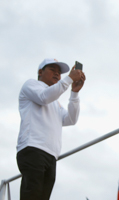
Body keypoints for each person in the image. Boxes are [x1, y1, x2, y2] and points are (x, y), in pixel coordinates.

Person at [16, 58, 86, 200]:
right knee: (32, 195)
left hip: (51, 154)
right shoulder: (31, 84)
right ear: (40, 72)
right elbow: (43, 97)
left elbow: (70, 119)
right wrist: (68, 79)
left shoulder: (55, 100)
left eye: (59, 73)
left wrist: (74, 93)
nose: (57, 74)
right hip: (33, 148)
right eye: (52, 70)